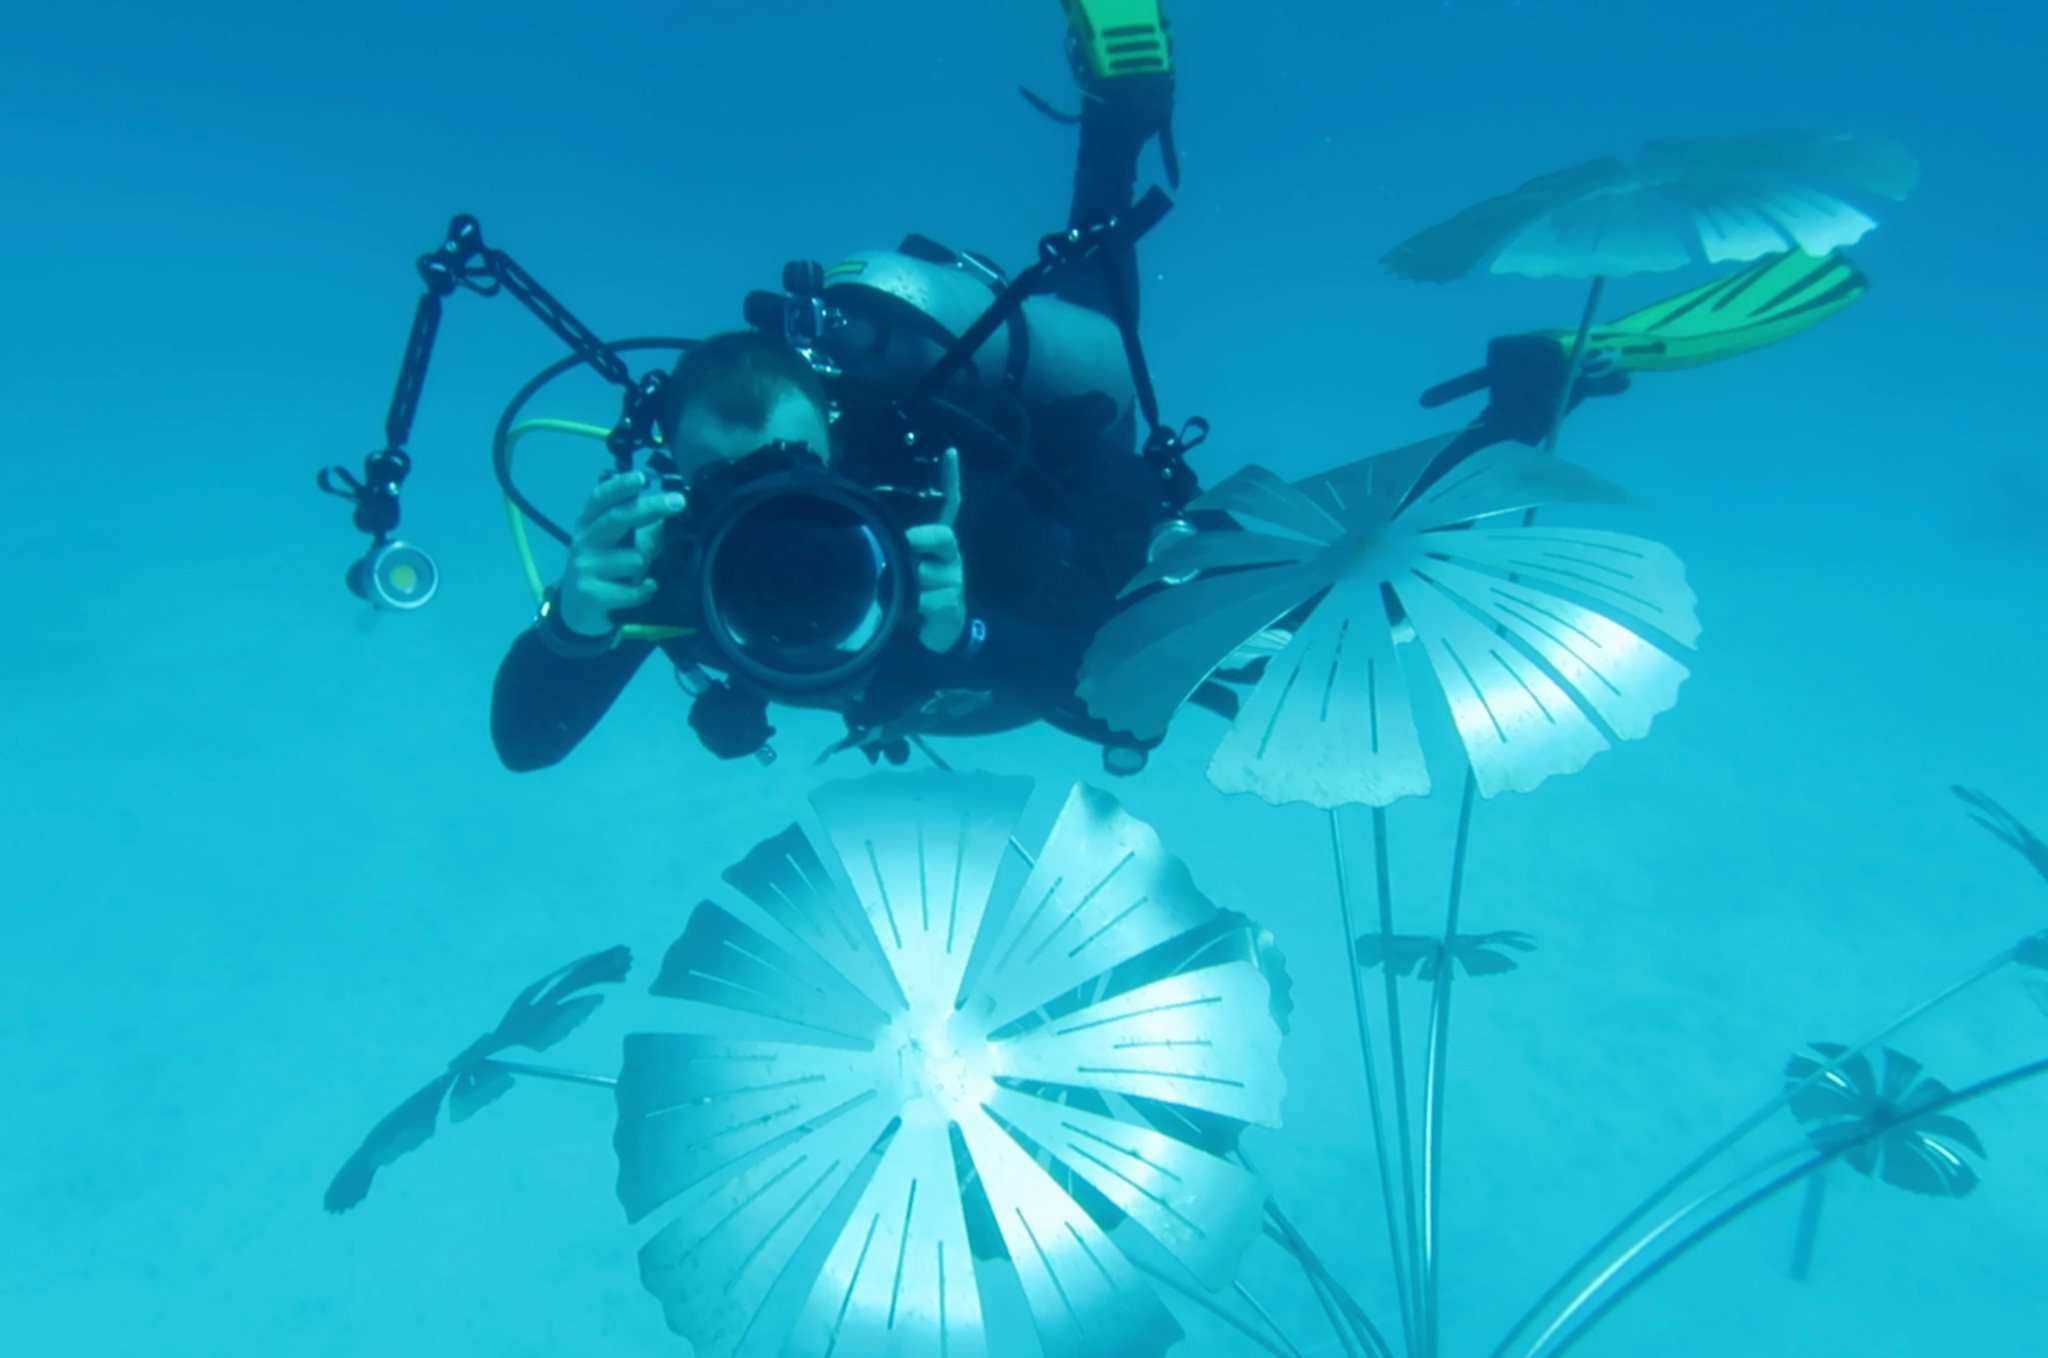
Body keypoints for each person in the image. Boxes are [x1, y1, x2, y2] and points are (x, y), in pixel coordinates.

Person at [492, 5, 1183, 773]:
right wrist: (576, 624)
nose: (771, 516)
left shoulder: (928, 497)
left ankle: (1117, 119)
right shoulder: (676, 561)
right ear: (678, 482)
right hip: (947, 693)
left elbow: (1082, 669)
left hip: (1061, 514)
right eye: (721, 483)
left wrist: (966, 637)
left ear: (837, 434)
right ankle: (1117, 115)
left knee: (1096, 314)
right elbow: (525, 742)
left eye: (793, 470)